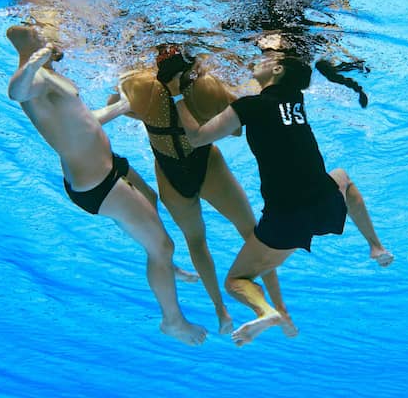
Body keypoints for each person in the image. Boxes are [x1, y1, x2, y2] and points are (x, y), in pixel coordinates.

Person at [164, 50, 394, 346]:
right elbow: (269, 102)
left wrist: (176, 97)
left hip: (285, 219)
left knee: (236, 282)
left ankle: (266, 311)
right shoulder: (296, 102)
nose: (257, 59)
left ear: (278, 70)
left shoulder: (251, 106)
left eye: (265, 57)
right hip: (322, 203)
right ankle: (376, 246)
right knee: (342, 178)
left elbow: (196, 138)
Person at [5, 24, 207, 346]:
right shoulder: (35, 79)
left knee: (150, 198)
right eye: (42, 35)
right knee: (162, 246)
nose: (51, 37)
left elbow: (82, 120)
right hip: (99, 184)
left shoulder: (48, 74)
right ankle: (172, 320)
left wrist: (121, 106)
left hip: (108, 166)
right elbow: (15, 92)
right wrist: (31, 63)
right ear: (33, 43)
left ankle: (165, 265)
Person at [111, 44, 295, 336]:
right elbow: (236, 129)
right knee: (252, 231)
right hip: (207, 164)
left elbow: (117, 104)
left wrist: (149, 115)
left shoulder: (141, 85)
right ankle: (278, 306)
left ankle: (221, 311)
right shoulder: (207, 87)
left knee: (196, 241)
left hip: (170, 172)